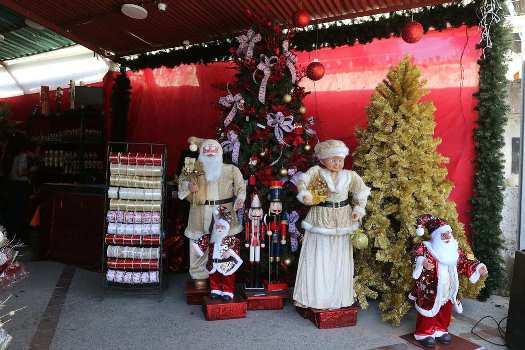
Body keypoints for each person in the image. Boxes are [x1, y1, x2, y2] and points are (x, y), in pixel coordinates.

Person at [294, 139, 370, 309]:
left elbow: (362, 191)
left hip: (343, 217)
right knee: (319, 254)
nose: (338, 163)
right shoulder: (317, 171)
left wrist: (358, 209)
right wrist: (305, 194)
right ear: (323, 160)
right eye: (333, 159)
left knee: (339, 255)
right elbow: (302, 181)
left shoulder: (350, 175)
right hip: (320, 216)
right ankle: (315, 297)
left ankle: (337, 296)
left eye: (340, 159)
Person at [410, 214, 488, 348]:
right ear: (436, 237)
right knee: (428, 310)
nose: (447, 237)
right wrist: (422, 262)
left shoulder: (454, 250)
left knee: (445, 310)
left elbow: (466, 261)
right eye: (443, 235)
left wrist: (478, 267)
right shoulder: (427, 248)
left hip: (449, 289)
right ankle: (424, 333)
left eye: (448, 234)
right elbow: (414, 254)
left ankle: (441, 330)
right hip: (430, 288)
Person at [178, 137, 246, 288]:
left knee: (225, 244)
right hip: (199, 211)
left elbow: (241, 187)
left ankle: (224, 279)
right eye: (206, 149)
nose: (209, 152)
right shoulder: (193, 169)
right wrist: (188, 184)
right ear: (201, 152)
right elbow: (181, 181)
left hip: (224, 212)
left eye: (213, 149)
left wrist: (240, 198)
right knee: (198, 243)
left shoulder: (231, 169)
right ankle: (199, 275)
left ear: (219, 151)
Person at [2, 133, 32, 240]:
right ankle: (20, 236)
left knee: (12, 211)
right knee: (20, 212)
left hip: (12, 185)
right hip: (20, 185)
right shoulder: (23, 156)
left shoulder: (13, 156)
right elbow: (20, 173)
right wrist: (31, 170)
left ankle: (10, 234)